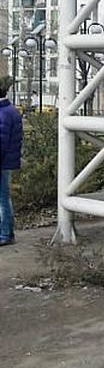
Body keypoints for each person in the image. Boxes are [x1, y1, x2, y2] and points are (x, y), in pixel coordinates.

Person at [0, 81, 23, 246]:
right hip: (7, 162)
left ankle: (5, 234)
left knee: (3, 199)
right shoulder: (10, 111)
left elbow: (1, 142)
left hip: (2, 163)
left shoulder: (3, 114)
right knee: (4, 198)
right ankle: (6, 232)